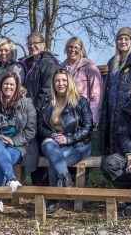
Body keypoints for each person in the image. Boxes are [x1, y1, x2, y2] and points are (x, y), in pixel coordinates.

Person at [39, 69, 93, 214]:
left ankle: (53, 200)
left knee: (53, 161)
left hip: (79, 145)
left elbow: (88, 127)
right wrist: (52, 134)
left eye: (64, 80)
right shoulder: (47, 103)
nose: (61, 83)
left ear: (69, 82)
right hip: (54, 144)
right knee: (50, 146)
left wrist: (69, 138)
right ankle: (66, 178)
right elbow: (41, 127)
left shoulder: (80, 101)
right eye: (57, 80)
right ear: (53, 83)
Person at [0, 72, 37, 212]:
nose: (8, 87)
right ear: (1, 85)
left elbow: (31, 130)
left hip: (18, 144)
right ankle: (12, 179)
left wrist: (13, 140)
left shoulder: (26, 103)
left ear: (17, 86)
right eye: (6, 83)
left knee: (5, 158)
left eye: (12, 84)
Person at [99, 26, 131, 155]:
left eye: (126, 38)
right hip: (111, 110)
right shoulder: (112, 62)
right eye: (120, 39)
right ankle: (116, 174)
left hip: (129, 111)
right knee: (113, 149)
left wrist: (130, 107)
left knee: (127, 147)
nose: (123, 41)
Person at [61, 36, 102, 125]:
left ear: (81, 50)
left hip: (83, 115)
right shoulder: (60, 68)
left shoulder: (89, 66)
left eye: (76, 47)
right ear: (66, 49)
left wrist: (92, 119)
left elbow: (96, 94)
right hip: (64, 116)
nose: (73, 50)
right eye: (70, 47)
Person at [20, 32, 59, 113]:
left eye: (35, 43)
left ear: (43, 45)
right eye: (29, 44)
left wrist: (36, 110)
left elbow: (48, 90)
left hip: (40, 111)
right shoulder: (29, 64)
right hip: (28, 108)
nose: (32, 46)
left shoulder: (48, 63)